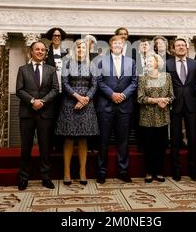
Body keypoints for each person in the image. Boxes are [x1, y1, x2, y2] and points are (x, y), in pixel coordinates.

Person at [16, 41, 59, 190]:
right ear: (31, 52)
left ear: (45, 53)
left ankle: (46, 177)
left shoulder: (51, 70)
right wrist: (33, 101)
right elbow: (19, 90)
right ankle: (23, 178)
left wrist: (43, 102)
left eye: (43, 50)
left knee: (45, 147)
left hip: (45, 113)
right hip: (27, 113)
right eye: (37, 49)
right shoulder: (23, 69)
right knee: (26, 147)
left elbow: (55, 89)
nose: (40, 52)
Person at [56, 39, 99, 185]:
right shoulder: (67, 63)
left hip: (87, 105)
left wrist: (86, 98)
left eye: (84, 48)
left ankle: (82, 172)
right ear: (75, 49)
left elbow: (94, 85)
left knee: (82, 138)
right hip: (70, 103)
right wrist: (77, 97)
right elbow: (65, 83)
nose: (81, 50)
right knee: (69, 138)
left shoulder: (91, 65)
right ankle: (66, 172)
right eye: (79, 47)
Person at [96, 35, 138, 184]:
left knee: (123, 141)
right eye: (115, 43)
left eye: (120, 43)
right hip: (106, 105)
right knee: (103, 141)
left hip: (125, 106)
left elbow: (134, 81)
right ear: (110, 46)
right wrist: (112, 94)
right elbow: (99, 81)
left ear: (124, 45)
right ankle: (101, 172)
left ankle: (123, 171)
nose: (118, 45)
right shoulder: (101, 61)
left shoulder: (131, 62)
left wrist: (124, 95)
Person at [166, 38, 196, 181]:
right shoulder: (167, 64)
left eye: (183, 45)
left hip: (191, 105)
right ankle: (176, 170)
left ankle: (193, 170)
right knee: (175, 139)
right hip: (175, 104)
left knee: (193, 138)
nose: (180, 47)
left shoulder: (195, 64)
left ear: (186, 48)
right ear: (173, 48)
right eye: (178, 46)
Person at [138, 53, 174, 183]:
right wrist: (156, 100)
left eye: (150, 61)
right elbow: (140, 98)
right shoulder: (142, 78)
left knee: (161, 146)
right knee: (149, 147)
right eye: (146, 61)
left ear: (157, 63)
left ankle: (159, 172)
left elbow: (172, 96)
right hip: (147, 117)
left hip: (163, 116)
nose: (148, 63)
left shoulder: (167, 77)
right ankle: (148, 172)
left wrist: (167, 101)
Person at [45, 27, 68, 151]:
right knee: (50, 119)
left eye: (59, 36)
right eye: (54, 35)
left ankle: (60, 146)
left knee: (62, 118)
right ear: (51, 37)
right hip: (50, 92)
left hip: (64, 92)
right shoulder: (45, 53)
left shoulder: (67, 54)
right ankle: (49, 146)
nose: (57, 38)